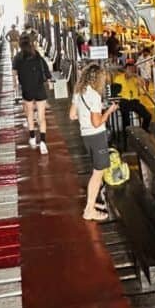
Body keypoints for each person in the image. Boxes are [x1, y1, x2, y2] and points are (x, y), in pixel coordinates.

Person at [69, 63, 118, 222]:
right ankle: (89, 209)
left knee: (97, 171)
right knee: (98, 174)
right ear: (97, 78)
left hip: (86, 137)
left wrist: (84, 116)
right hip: (97, 137)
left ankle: (92, 203)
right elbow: (97, 123)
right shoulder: (94, 96)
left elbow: (72, 115)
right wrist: (109, 111)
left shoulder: (79, 92)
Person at [12, 34, 53, 153]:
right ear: (30, 43)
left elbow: (14, 73)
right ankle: (43, 143)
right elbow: (45, 68)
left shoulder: (17, 57)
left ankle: (33, 138)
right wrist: (49, 80)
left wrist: (15, 84)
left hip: (27, 89)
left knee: (30, 114)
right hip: (39, 88)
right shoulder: (36, 54)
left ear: (20, 44)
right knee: (41, 117)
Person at [112, 62, 151, 132]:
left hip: (134, 101)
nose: (131, 71)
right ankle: (127, 134)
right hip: (124, 100)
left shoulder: (135, 78)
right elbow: (114, 91)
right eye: (129, 69)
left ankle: (144, 130)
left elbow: (142, 84)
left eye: (133, 69)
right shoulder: (118, 78)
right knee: (126, 118)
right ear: (125, 70)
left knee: (148, 116)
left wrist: (137, 76)